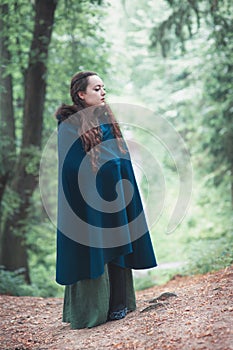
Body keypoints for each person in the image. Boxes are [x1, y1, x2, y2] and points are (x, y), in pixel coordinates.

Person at [55, 70, 157, 329]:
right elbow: (71, 166)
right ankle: (91, 311)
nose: (103, 92)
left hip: (115, 195)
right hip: (88, 200)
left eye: (103, 87)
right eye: (96, 88)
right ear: (81, 94)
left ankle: (119, 304)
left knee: (118, 242)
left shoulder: (106, 119)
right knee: (93, 247)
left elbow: (116, 153)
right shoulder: (69, 125)